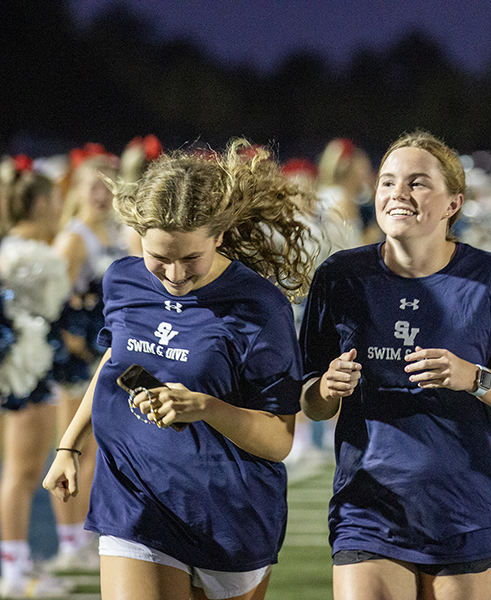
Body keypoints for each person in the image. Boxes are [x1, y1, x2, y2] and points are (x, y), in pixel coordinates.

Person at [42, 139, 318, 600]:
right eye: (160, 258)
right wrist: (69, 445)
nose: (173, 274)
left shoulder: (259, 306)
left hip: (229, 515)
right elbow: (116, 363)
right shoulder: (123, 279)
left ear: (220, 235)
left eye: (190, 258)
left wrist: (206, 407)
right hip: (133, 499)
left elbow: (278, 441)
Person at [299, 130, 491, 600]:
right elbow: (309, 402)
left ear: (452, 203)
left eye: (417, 183)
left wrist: (473, 378)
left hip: (465, 510)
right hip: (368, 508)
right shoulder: (339, 277)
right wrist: (324, 390)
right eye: (386, 182)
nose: (398, 193)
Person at [48, 149, 127, 572]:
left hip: (107, 355)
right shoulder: (75, 237)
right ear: (78, 190)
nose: (101, 195)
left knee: (99, 450)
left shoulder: (116, 232)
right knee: (71, 446)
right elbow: (53, 304)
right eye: (93, 185)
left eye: (108, 186)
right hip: (79, 359)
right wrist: (76, 343)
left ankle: (84, 533)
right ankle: (67, 542)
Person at [0, 159, 73, 597]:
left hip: (22, 366)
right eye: (57, 198)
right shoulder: (41, 256)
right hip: (27, 371)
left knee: (19, 472)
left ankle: (17, 561)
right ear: (43, 202)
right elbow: (53, 320)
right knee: (23, 473)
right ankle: (13, 568)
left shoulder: (8, 248)